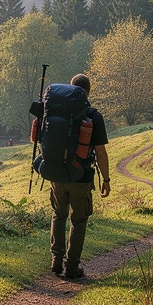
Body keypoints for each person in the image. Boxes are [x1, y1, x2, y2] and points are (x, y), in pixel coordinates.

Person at [49, 73, 110, 280]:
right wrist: (107, 180)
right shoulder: (93, 115)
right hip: (80, 176)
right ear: (89, 91)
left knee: (59, 214)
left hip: (56, 174)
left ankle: (56, 260)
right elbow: (100, 151)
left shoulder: (56, 109)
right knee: (79, 220)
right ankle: (72, 266)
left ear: (71, 87)